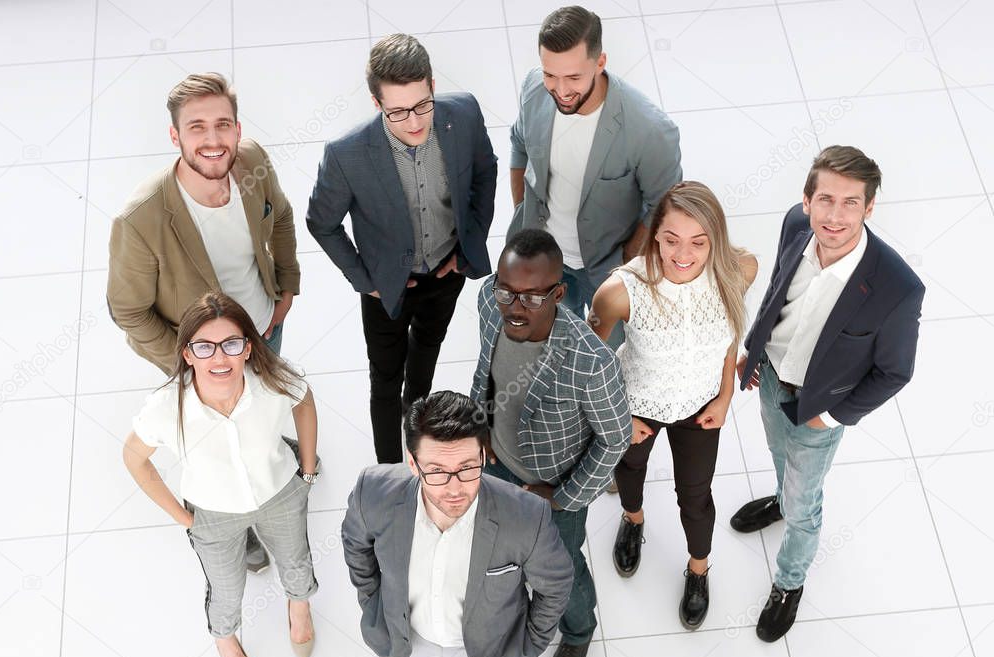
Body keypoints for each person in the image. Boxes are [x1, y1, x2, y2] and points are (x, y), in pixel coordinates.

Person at [108, 71, 310, 574]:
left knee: (264, 401)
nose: (213, 139)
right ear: (175, 137)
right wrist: (193, 362)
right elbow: (128, 311)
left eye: (224, 124)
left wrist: (286, 287)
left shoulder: (254, 162)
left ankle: (272, 461)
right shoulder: (141, 218)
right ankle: (239, 532)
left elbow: (280, 217)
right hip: (202, 357)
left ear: (238, 130)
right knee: (213, 441)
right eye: (197, 127)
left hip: (262, 330)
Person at [731, 146, 924, 642]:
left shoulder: (898, 287)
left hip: (819, 407)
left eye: (850, 203)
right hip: (770, 376)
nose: (834, 216)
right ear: (807, 199)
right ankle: (778, 499)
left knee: (805, 503)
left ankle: (789, 582)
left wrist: (833, 415)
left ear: (870, 207)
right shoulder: (796, 225)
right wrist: (753, 351)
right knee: (777, 454)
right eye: (825, 200)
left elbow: (894, 372)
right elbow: (777, 290)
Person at [341, 391, 573, 657]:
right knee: (416, 651)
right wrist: (371, 600)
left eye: (468, 468)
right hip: (411, 632)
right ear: (412, 463)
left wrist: (528, 645)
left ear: (484, 454)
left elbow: (555, 585)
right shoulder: (372, 492)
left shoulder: (525, 517)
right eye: (436, 471)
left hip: (487, 647)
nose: (454, 488)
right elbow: (355, 545)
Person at [308, 34, 498, 464]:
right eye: (396, 111)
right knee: (385, 381)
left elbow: (486, 171)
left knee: (425, 362)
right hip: (385, 287)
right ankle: (391, 472)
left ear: (432, 85)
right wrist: (365, 281)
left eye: (422, 105)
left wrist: (471, 243)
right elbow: (321, 222)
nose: (413, 122)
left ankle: (417, 441)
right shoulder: (346, 154)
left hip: (447, 273)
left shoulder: (463, 113)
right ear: (376, 103)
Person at [123, 293, 320, 657]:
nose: (219, 358)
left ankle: (299, 610)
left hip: (280, 491)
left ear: (247, 348)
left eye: (231, 344)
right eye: (204, 347)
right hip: (212, 515)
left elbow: (305, 400)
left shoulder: (273, 380)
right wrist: (186, 520)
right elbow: (133, 459)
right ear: (188, 353)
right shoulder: (166, 407)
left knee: (296, 560)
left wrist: (309, 467)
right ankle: (225, 639)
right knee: (226, 588)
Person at [588, 182, 757, 630]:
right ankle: (633, 519)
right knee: (629, 470)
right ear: (654, 234)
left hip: (701, 408)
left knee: (696, 498)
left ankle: (698, 571)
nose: (684, 254)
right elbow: (587, 364)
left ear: (714, 241)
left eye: (699, 242)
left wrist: (724, 397)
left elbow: (730, 333)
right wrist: (617, 416)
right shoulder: (620, 291)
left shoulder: (738, 270)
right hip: (636, 404)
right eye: (671, 239)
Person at [471, 228, 631, 657]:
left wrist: (562, 498)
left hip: (554, 487)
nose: (513, 307)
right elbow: (485, 365)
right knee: (498, 550)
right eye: (506, 291)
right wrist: (479, 423)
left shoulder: (591, 361)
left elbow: (615, 439)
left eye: (530, 297)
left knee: (559, 568)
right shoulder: (489, 302)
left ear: (559, 294)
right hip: (497, 464)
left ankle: (579, 631)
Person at [508, 5, 682, 348]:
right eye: (550, 75)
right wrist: (522, 214)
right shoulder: (533, 88)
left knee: (610, 359)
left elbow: (664, 208)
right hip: (543, 261)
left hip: (607, 270)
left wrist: (625, 261)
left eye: (573, 77)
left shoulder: (650, 130)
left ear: (600, 63)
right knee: (548, 349)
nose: (560, 90)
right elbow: (518, 144)